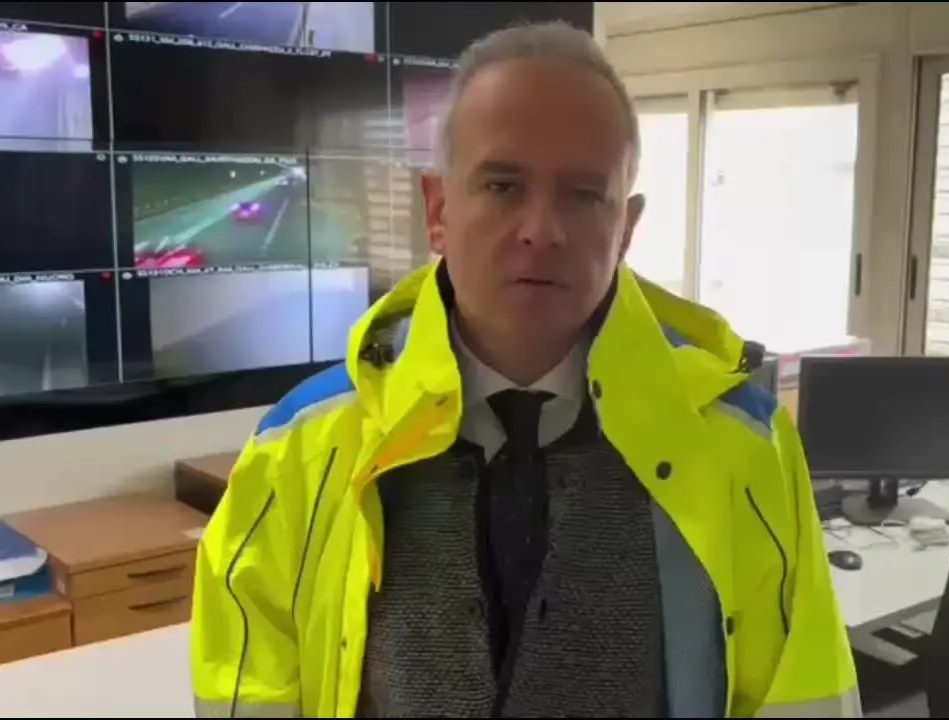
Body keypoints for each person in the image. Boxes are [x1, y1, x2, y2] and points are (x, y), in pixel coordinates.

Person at [190, 20, 860, 719]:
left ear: (626, 229)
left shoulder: (743, 449)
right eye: (503, 185)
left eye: (584, 194)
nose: (542, 230)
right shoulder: (299, 451)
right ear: (438, 210)